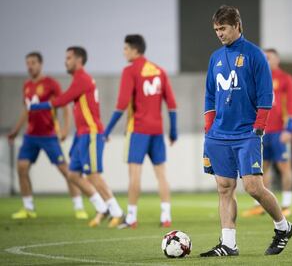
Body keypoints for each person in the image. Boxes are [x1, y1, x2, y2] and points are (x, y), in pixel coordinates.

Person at [201, 5, 292, 257]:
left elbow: (266, 94)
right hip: (218, 134)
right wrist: (209, 128)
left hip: (246, 133)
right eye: (216, 30)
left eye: (223, 28)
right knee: (224, 186)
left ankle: (283, 227)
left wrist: (259, 127)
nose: (219, 34)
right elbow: (210, 94)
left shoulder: (255, 55)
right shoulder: (215, 58)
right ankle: (229, 244)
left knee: (253, 187)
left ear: (237, 26)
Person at [29, 47, 123, 228]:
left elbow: (61, 100)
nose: (66, 61)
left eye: (69, 58)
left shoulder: (82, 78)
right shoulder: (79, 79)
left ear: (79, 60)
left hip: (92, 133)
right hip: (81, 135)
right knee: (72, 174)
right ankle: (101, 207)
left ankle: (118, 212)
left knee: (93, 175)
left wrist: (34, 107)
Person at [104, 35, 177, 229]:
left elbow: (121, 105)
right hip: (157, 130)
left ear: (135, 50)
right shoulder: (159, 71)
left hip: (138, 130)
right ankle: (166, 216)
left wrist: (107, 129)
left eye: (126, 48)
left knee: (134, 175)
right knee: (162, 175)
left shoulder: (130, 71)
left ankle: (132, 218)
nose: (124, 52)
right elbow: (171, 104)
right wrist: (174, 131)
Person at [8, 52, 88, 220]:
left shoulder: (51, 84)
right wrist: (16, 130)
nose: (30, 66)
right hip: (31, 136)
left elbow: (64, 105)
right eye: (28, 63)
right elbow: (27, 109)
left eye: (33, 62)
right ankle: (28, 208)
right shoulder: (27, 85)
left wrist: (65, 129)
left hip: (49, 135)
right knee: (22, 167)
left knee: (66, 171)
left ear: (41, 64)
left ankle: (79, 207)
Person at [242, 48, 292, 217]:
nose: (265, 60)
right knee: (261, 169)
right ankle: (260, 205)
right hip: (260, 131)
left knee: (284, 167)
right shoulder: (257, 77)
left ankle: (287, 204)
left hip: (279, 131)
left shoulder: (285, 79)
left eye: (268, 57)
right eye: (263, 57)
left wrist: (289, 129)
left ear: (277, 60)